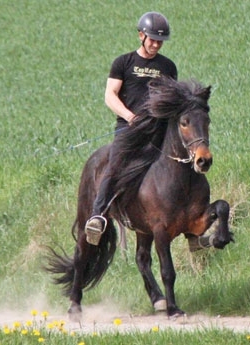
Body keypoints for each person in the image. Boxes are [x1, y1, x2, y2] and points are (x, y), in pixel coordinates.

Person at [85, 11, 178, 242]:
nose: (156, 44)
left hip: (157, 133)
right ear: (140, 35)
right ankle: (97, 217)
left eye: (160, 41)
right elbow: (110, 95)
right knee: (114, 166)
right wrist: (130, 116)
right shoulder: (123, 63)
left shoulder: (168, 66)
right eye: (152, 39)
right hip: (128, 130)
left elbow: (171, 99)